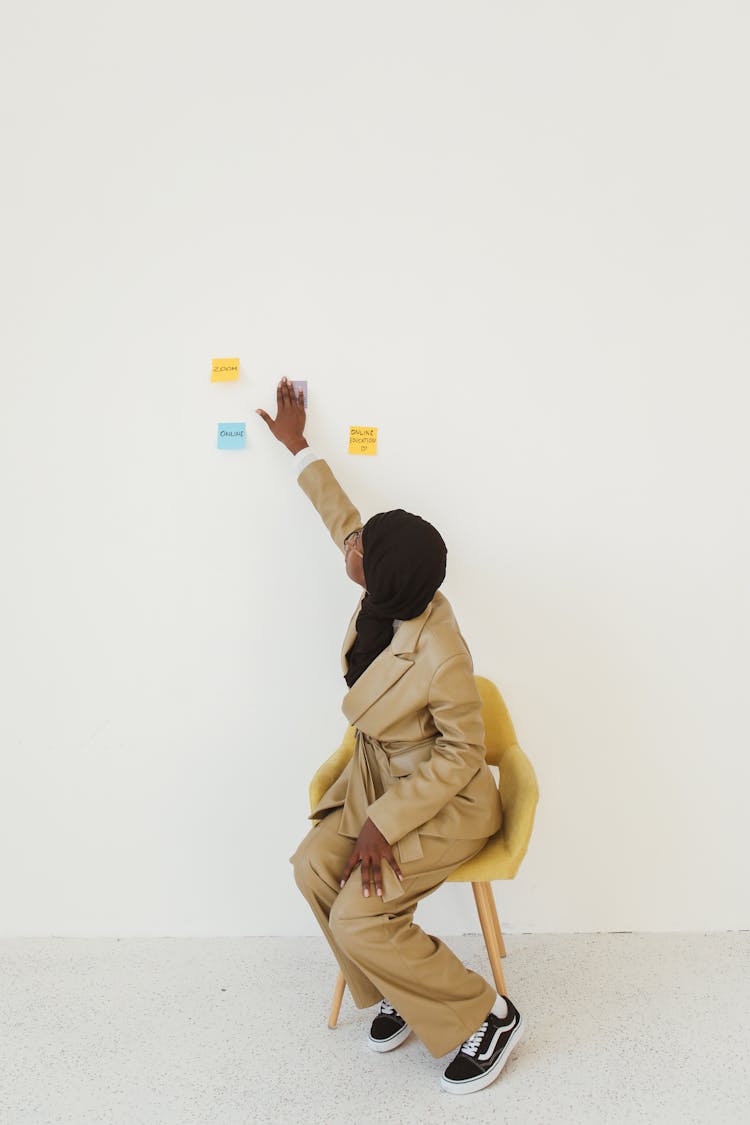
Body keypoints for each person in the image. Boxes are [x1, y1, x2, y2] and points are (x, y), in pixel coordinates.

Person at [256, 378, 524, 1095]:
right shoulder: (386, 585)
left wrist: (382, 821)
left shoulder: (441, 651)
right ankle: (394, 993)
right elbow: (340, 516)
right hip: (378, 778)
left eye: (362, 554)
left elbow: (464, 753)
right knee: (312, 867)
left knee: (360, 911)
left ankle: (485, 1014)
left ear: (388, 581)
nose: (351, 552)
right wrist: (298, 446)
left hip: (443, 800)